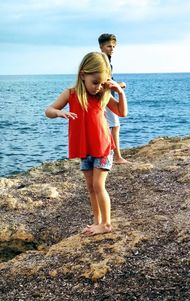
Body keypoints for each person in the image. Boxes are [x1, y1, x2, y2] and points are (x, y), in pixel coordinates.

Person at [45, 52, 128, 236]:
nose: (98, 87)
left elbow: (122, 112)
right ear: (83, 74)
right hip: (85, 149)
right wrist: (59, 113)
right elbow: (49, 110)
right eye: (95, 82)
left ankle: (106, 224)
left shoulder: (102, 95)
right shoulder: (71, 94)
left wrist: (120, 93)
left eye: (102, 82)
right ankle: (97, 221)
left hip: (103, 148)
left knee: (99, 185)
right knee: (91, 188)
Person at [98, 33, 130, 164]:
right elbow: (104, 81)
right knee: (115, 125)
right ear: (101, 47)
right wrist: (120, 85)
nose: (112, 49)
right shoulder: (102, 62)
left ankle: (107, 154)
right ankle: (117, 157)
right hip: (105, 96)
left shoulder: (107, 61)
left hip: (107, 95)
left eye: (113, 46)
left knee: (107, 126)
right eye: (108, 46)